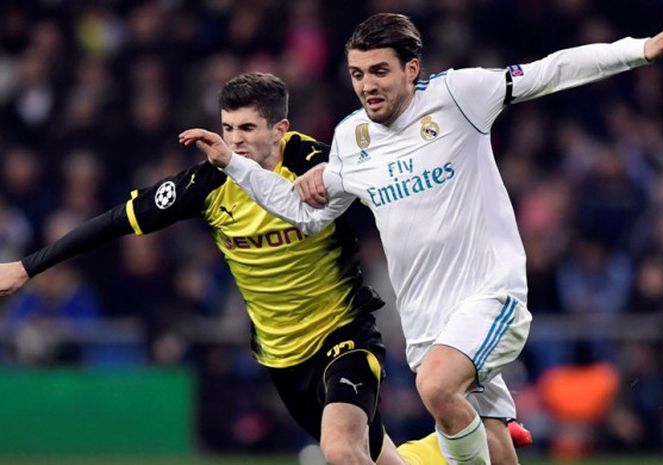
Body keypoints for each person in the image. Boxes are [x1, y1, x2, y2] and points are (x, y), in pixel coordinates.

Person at [179, 13, 663, 465]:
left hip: (490, 297)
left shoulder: (459, 96)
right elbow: (304, 214)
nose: (367, 85)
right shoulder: (350, 140)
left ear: (411, 68)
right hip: (427, 322)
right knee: (493, 445)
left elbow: (550, 71)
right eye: (357, 74)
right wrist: (233, 166)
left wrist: (641, 51)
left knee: (435, 388)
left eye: (380, 71)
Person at [0, 72, 441, 465]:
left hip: (345, 335)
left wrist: (341, 175)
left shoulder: (316, 164)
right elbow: (116, 221)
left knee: (341, 450)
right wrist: (26, 267)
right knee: (380, 457)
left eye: (248, 128)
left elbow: (385, 183)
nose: (235, 141)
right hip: (283, 358)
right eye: (228, 128)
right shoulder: (209, 184)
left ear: (280, 130)